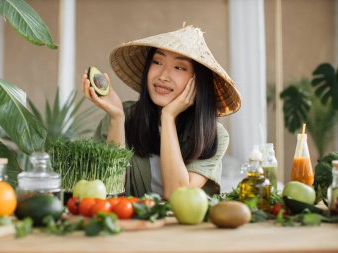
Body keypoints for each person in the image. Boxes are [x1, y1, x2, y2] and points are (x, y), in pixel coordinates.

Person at [82, 26, 241, 199]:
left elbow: (177, 195)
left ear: (197, 82)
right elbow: (108, 191)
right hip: (132, 223)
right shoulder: (122, 115)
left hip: (184, 226)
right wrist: (117, 119)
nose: (163, 76)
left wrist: (168, 117)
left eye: (179, 68)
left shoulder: (213, 135)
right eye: (157, 62)